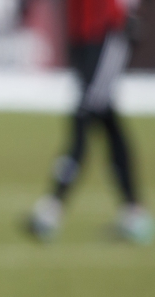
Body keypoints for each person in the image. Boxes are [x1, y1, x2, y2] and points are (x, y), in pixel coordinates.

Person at [25, 0, 152, 244]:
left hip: (106, 33)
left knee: (83, 118)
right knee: (106, 120)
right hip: (83, 36)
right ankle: (134, 214)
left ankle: (51, 211)